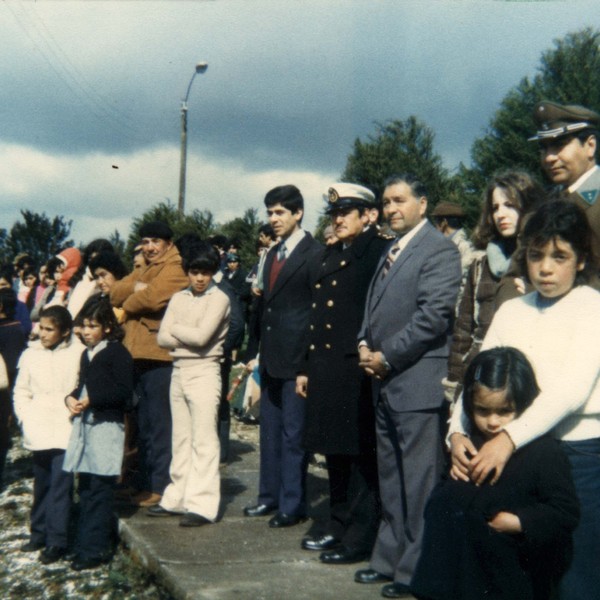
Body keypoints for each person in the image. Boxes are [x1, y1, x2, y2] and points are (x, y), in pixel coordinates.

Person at [449, 200, 600, 600]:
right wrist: (456, 432)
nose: (546, 268)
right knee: (516, 572)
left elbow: (571, 390)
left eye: (560, 256)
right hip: (517, 459)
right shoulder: (512, 310)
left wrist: (508, 438)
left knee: (574, 572)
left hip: (578, 455)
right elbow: (477, 378)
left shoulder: (592, 309)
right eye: (536, 256)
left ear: (581, 260)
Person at [355, 174, 461, 599]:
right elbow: (373, 307)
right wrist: (364, 342)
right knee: (392, 477)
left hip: (415, 382)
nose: (391, 208)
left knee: (419, 482)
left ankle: (416, 571)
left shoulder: (438, 249)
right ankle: (389, 559)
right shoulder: (390, 250)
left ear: (422, 203)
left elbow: (433, 316)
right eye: (386, 202)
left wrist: (387, 355)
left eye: (400, 200)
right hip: (385, 380)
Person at [413, 347, 579, 600]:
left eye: (504, 411)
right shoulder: (467, 442)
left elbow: (564, 511)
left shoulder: (543, 452)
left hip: (505, 576)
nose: (492, 422)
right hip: (454, 570)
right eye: (482, 410)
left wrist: (519, 522)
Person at [297, 183, 389, 564]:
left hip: (356, 370)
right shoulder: (334, 253)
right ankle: (337, 524)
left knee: (359, 458)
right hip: (327, 369)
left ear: (368, 215)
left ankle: (359, 535)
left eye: (346, 212)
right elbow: (317, 316)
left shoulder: (377, 252)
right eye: (335, 213)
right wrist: (305, 366)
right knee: (334, 453)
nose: (338, 219)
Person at [243, 184, 322, 527]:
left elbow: (318, 314)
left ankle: (293, 503)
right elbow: (263, 309)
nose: (273, 220)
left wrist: (307, 363)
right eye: (270, 213)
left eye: (279, 213)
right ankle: (268, 497)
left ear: (298, 213)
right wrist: (255, 353)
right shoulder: (271, 255)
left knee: (294, 436)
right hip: (271, 359)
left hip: (297, 362)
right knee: (269, 432)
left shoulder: (315, 253)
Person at [444, 171, 544, 404]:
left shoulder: (543, 262)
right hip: (480, 376)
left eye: (509, 205)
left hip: (526, 376)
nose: (501, 214)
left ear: (527, 206)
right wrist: (454, 383)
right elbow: (463, 331)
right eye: (495, 207)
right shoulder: (480, 264)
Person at [149, 242, 230, 526]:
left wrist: (174, 330)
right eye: (194, 272)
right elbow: (161, 339)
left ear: (212, 274)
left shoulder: (219, 299)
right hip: (179, 370)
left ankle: (203, 505)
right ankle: (177, 497)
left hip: (205, 371)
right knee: (181, 438)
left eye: (205, 273)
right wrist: (181, 333)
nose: (199, 278)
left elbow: (202, 338)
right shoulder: (179, 297)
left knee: (204, 440)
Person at [110, 221, 188, 507]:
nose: (149, 247)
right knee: (143, 424)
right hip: (138, 354)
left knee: (159, 424)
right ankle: (141, 482)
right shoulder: (144, 266)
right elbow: (114, 292)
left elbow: (153, 300)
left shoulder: (176, 266)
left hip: (159, 356)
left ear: (168, 243)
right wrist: (135, 287)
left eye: (155, 241)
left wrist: (131, 298)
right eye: (145, 241)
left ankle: (160, 485)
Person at [63, 297, 133, 570]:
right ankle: (83, 544)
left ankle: (95, 549)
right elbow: (81, 385)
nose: (87, 330)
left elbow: (123, 393)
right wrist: (70, 398)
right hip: (86, 427)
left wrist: (94, 400)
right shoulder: (87, 354)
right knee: (87, 486)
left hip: (106, 426)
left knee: (101, 489)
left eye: (93, 325)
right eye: (84, 325)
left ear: (106, 327)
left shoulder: (117, 353)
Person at [13, 305, 83, 563]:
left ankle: (57, 540)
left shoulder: (78, 354)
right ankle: (38, 532)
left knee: (61, 485)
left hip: (66, 427)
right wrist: (25, 417)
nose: (42, 334)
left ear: (65, 332)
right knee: (42, 483)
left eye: (49, 329)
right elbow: (21, 391)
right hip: (39, 427)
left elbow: (81, 387)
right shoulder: (31, 355)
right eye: (40, 328)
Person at [431, 201, 477, 277]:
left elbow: (463, 280)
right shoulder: (443, 244)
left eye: (436, 220)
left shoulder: (465, 247)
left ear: (444, 222)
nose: (435, 225)